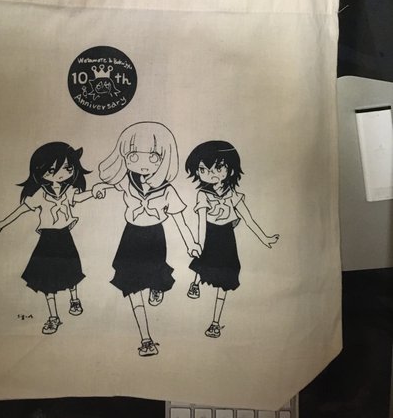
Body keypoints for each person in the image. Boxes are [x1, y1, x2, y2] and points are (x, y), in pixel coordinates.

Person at [98, 121, 201, 357]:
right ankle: (146, 339)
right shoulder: (127, 180)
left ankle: (157, 285)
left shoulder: (167, 190)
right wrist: (95, 190)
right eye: (133, 156)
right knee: (132, 284)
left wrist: (191, 243)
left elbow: (179, 219)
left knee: (154, 274)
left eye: (153, 157)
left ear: (165, 157)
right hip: (131, 236)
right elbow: (107, 186)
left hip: (155, 236)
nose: (143, 164)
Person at [0, 141, 103, 335]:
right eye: (52, 170)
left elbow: (79, 197)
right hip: (48, 240)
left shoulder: (68, 190)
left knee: (71, 269)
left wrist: (94, 193)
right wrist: (2, 223)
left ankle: (74, 299)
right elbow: (22, 209)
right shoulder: (40, 194)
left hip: (64, 236)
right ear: (40, 171)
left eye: (67, 168)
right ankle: (53, 317)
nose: (61, 173)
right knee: (46, 277)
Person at [185, 140, 279, 338]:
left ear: (230, 170)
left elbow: (248, 218)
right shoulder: (203, 194)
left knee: (225, 277)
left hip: (227, 236)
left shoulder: (232, 194)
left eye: (218, 168)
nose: (211, 174)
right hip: (209, 233)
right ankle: (195, 283)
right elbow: (201, 221)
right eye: (203, 169)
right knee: (203, 262)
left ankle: (215, 323)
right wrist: (198, 243)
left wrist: (264, 238)